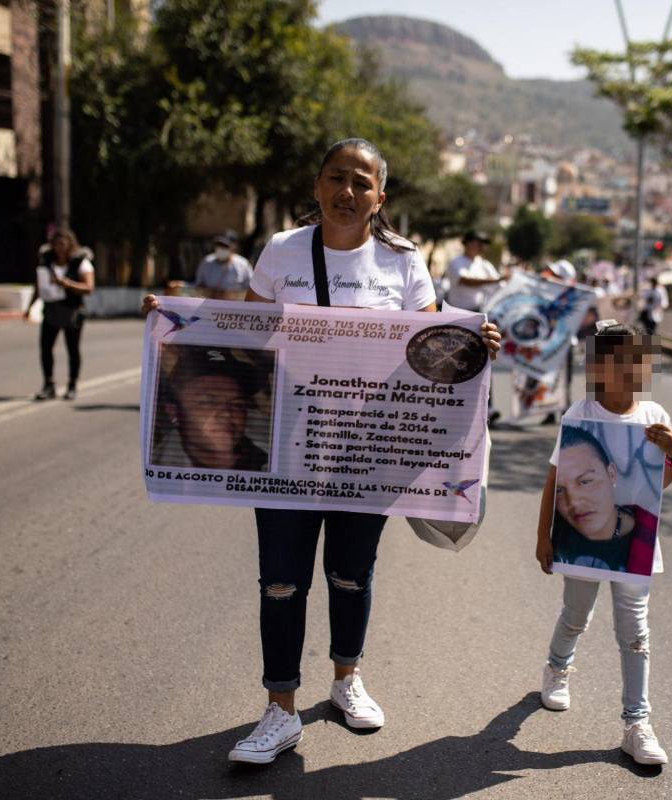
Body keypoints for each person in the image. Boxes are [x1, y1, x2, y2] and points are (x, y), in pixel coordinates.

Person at [141, 138, 501, 766]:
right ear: (317, 185)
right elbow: (247, 338)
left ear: (379, 197)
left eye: (361, 184)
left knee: (350, 573)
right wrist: (180, 321)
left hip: (366, 454)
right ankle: (280, 710)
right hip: (287, 452)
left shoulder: (404, 261)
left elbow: (432, 344)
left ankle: (345, 680)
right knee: (280, 581)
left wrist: (478, 339)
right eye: (337, 178)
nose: (347, 192)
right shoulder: (281, 250)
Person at [534, 322, 672, 766]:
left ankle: (637, 723)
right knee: (576, 614)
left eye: (632, 361)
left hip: (635, 548)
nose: (622, 370)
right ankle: (557, 668)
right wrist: (543, 535)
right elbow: (553, 480)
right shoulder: (580, 414)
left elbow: (659, 485)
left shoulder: (654, 415)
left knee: (635, 633)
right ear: (598, 368)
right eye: (610, 361)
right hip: (578, 541)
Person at [551, 425, 658, 574]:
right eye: (559, 490)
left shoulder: (646, 535)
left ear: (612, 474)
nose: (573, 501)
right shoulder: (557, 535)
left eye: (585, 482)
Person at [152, 346, 272, 471]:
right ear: (174, 413)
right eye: (207, 402)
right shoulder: (156, 468)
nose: (226, 413)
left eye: (237, 404)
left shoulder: (278, 458)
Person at [25, 229, 94, 400]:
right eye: (56, 244)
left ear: (70, 244)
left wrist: (67, 284)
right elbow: (39, 287)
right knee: (46, 348)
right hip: (51, 311)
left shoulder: (81, 263)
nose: (59, 248)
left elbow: (89, 287)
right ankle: (49, 385)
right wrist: (29, 307)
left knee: (72, 349)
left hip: (72, 311)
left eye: (63, 244)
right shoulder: (46, 262)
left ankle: (72, 386)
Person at [444, 231, 504, 311]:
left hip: (478, 310)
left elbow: (500, 283)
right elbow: (466, 281)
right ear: (468, 243)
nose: (482, 247)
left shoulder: (484, 264)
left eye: (483, 244)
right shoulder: (456, 262)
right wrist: (496, 280)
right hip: (457, 313)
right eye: (479, 243)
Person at [193, 231, 254, 297]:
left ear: (233, 247)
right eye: (219, 245)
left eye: (225, 246)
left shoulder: (243, 265)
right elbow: (198, 285)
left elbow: (251, 289)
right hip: (209, 304)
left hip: (233, 305)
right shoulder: (207, 262)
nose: (221, 248)